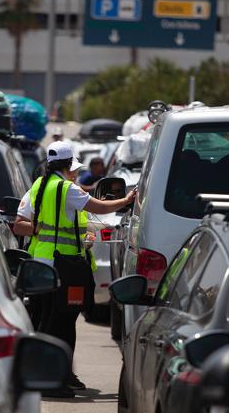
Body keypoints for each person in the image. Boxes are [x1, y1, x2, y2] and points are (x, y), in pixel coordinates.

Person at [14, 141, 136, 398]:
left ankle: (57, 375)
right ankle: (54, 379)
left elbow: (20, 224)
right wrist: (126, 200)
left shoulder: (38, 186)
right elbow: (99, 207)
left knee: (48, 321)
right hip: (64, 267)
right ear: (68, 166)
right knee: (62, 324)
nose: (76, 174)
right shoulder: (66, 188)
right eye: (75, 169)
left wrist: (44, 230)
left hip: (41, 265)